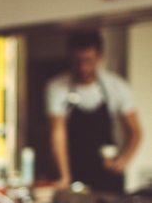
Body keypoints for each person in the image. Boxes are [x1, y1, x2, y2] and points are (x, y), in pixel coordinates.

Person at [46, 30, 142, 193]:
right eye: (77, 61)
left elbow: (135, 131)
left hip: (107, 172)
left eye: (88, 61)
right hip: (73, 168)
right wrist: (65, 177)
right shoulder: (57, 87)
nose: (83, 67)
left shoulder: (116, 87)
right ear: (69, 56)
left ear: (100, 56)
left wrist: (124, 159)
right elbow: (57, 133)